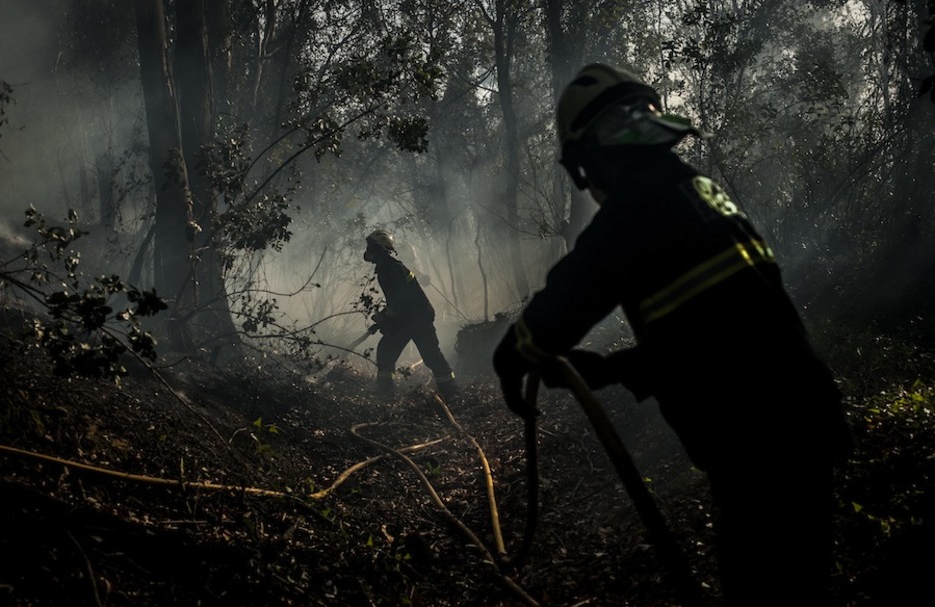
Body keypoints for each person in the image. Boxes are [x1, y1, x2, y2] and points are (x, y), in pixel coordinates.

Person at [492, 63, 853, 606]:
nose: (591, 187)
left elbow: (573, 292)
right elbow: (721, 338)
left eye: (586, 169)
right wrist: (611, 371)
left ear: (599, 153)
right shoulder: (697, 192)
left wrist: (512, 354)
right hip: (798, 421)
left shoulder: (638, 205)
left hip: (758, 442)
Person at [363, 229, 457, 398]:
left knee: (426, 355)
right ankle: (385, 392)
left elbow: (398, 301)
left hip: (416, 318)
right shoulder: (388, 266)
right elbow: (397, 301)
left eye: (370, 247)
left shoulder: (389, 269)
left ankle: (450, 391)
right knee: (391, 351)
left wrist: (383, 317)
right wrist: (385, 318)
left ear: (379, 249)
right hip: (410, 318)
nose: (367, 251)